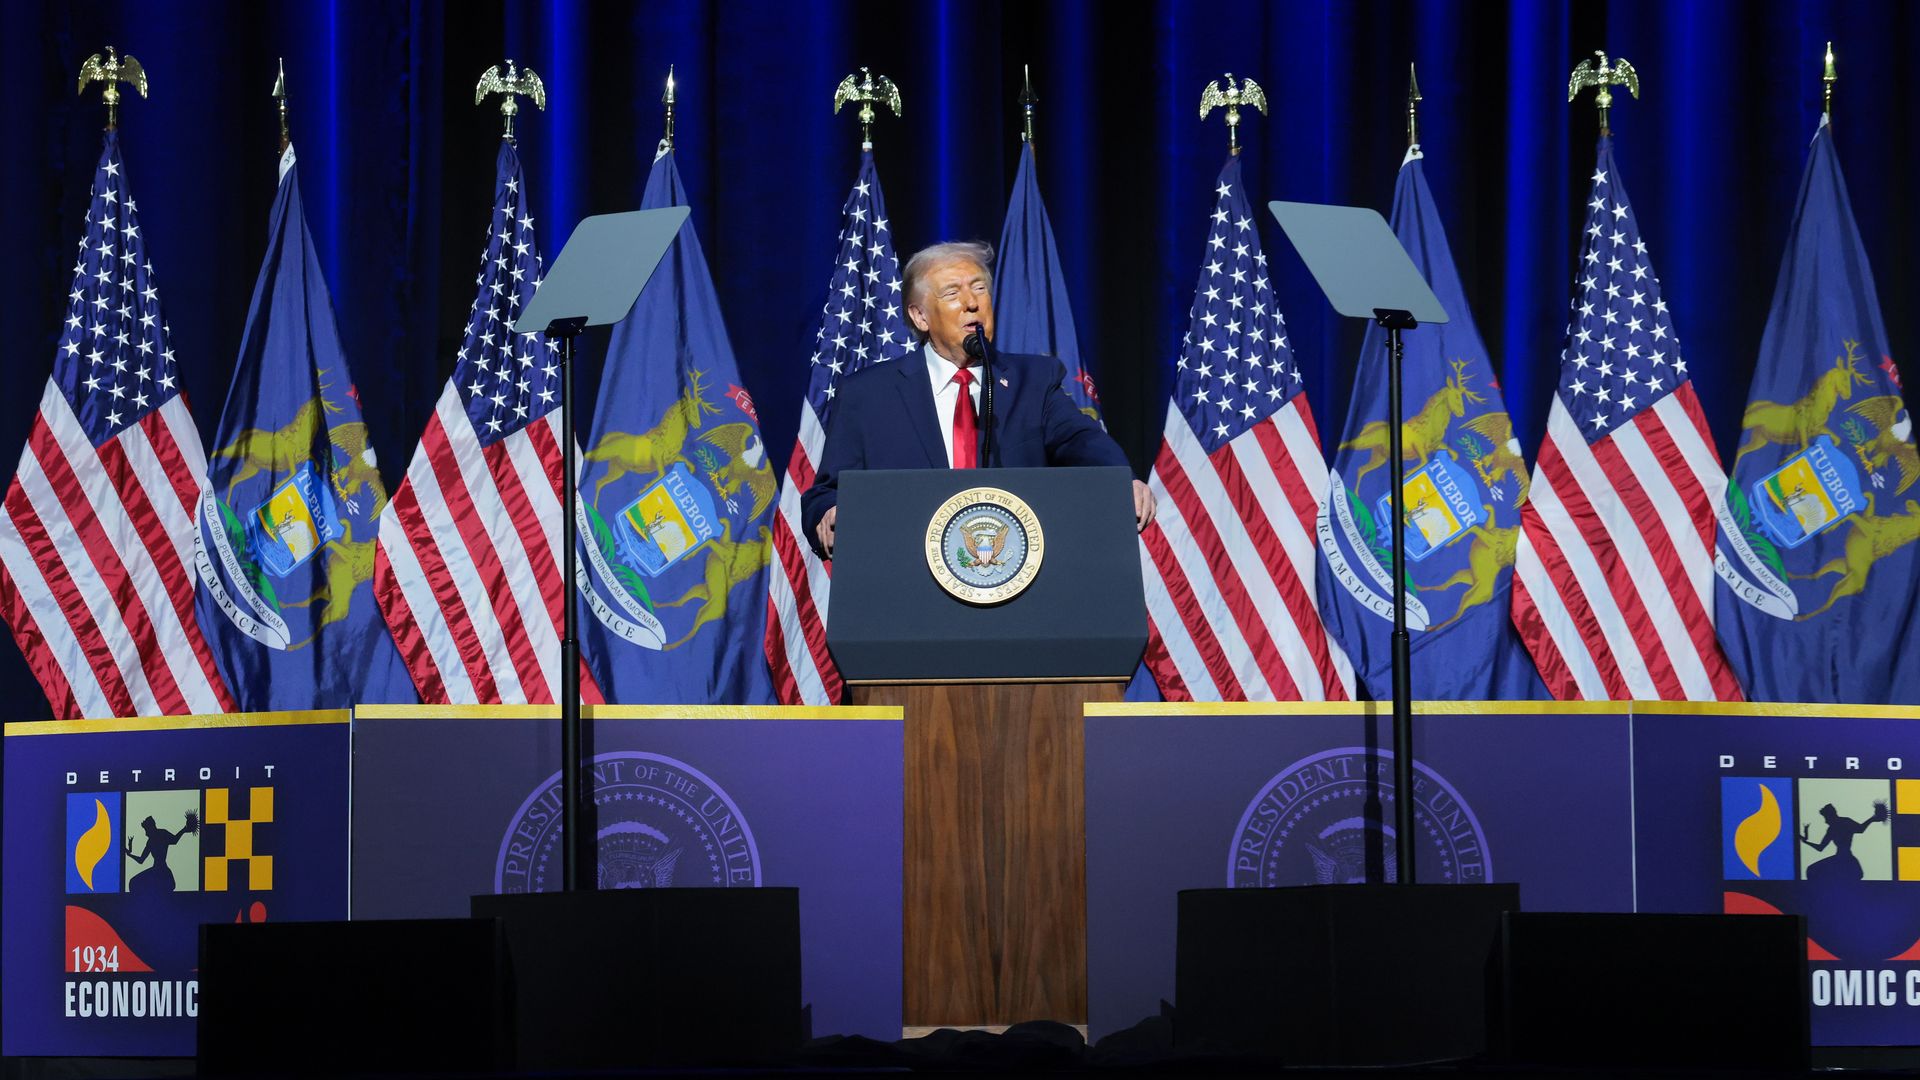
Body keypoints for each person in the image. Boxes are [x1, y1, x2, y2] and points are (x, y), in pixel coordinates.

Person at [801, 240, 1155, 557]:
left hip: (1015, 585)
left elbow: (1083, 439)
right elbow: (825, 494)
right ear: (920, 316)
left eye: (980, 289)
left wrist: (1122, 479)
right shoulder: (869, 394)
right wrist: (830, 513)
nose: (972, 303)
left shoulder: (1033, 381)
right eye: (952, 294)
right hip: (908, 589)